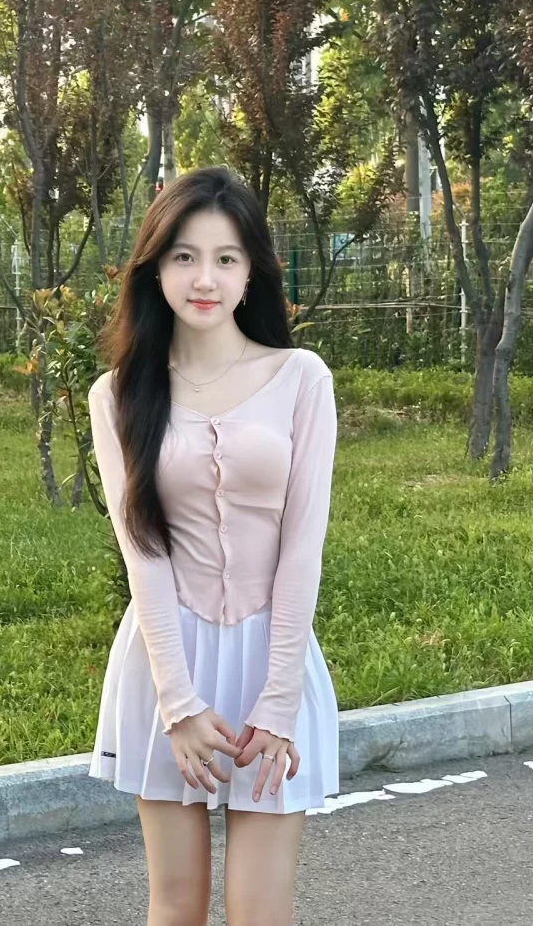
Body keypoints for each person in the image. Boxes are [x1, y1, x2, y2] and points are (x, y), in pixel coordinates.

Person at [87, 165, 339, 925]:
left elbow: (303, 547)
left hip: (275, 662)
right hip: (168, 665)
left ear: (252, 269)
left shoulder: (301, 378)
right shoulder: (119, 394)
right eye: (185, 257)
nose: (205, 278)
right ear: (155, 267)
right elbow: (143, 553)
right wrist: (178, 702)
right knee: (176, 905)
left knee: (261, 910)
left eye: (226, 258)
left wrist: (280, 699)